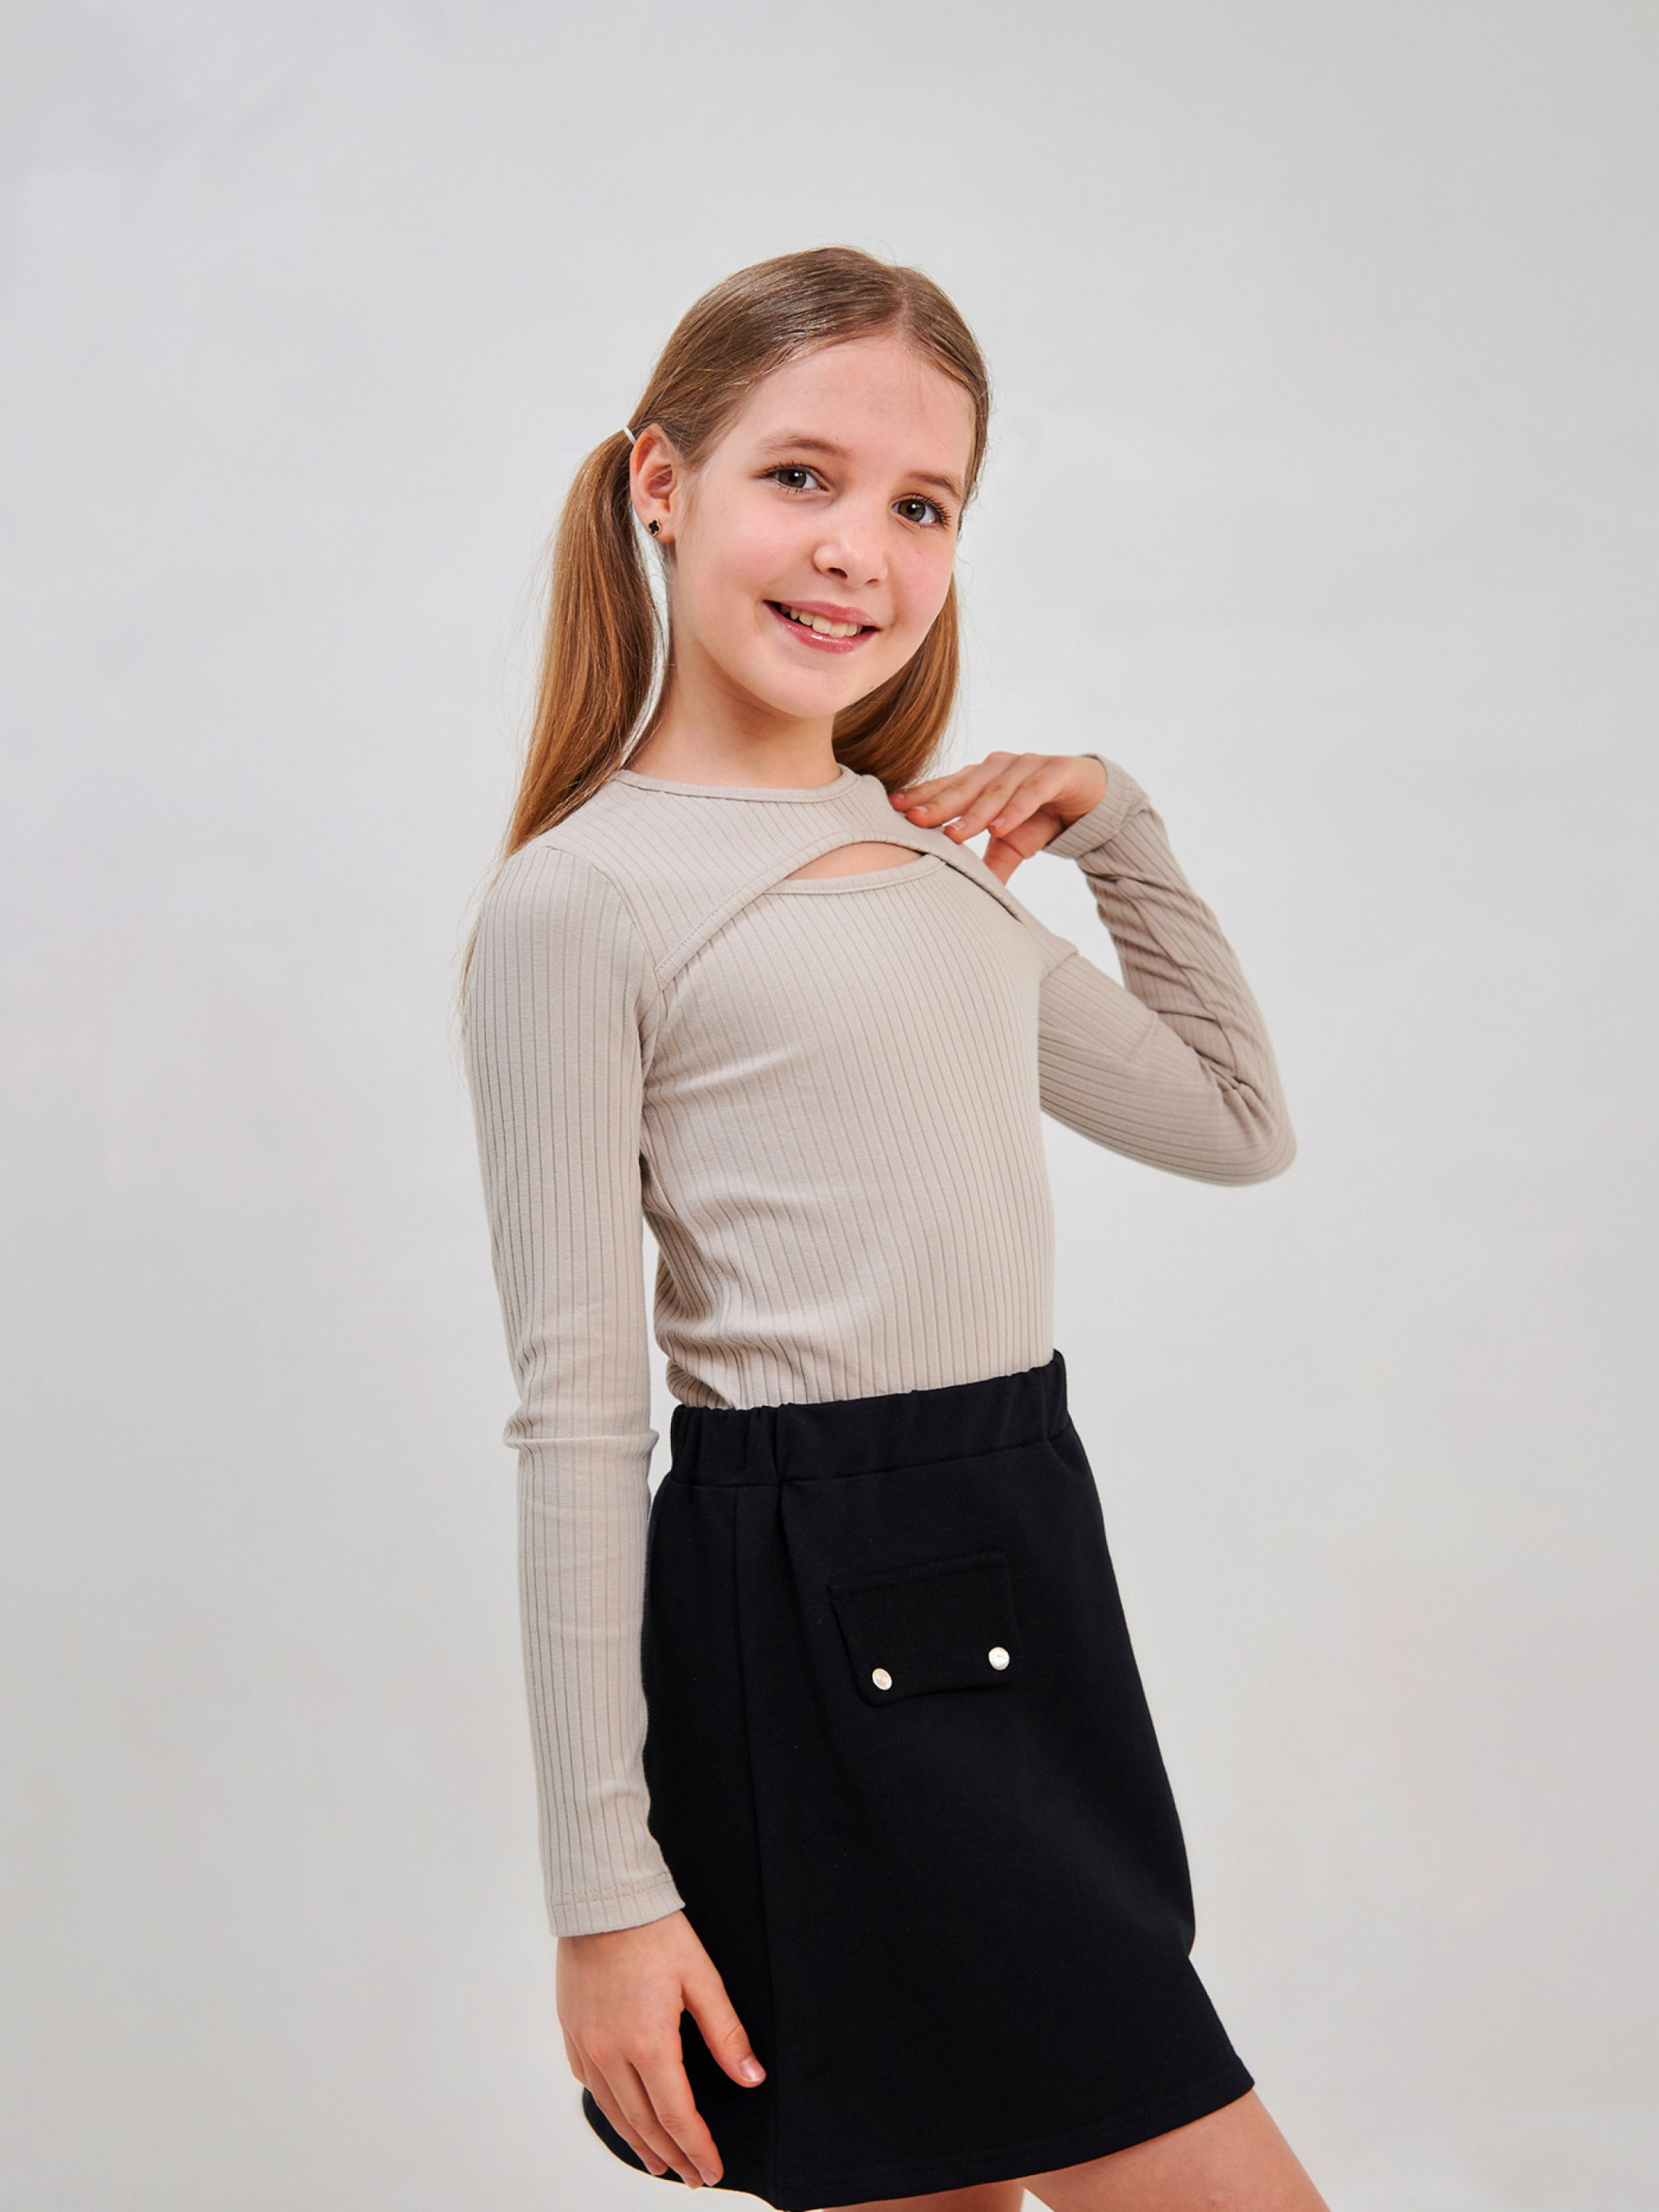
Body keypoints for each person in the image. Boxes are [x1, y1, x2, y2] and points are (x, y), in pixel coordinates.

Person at [459, 246, 1328, 2212]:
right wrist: (604, 1894)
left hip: (1021, 1544)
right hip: (806, 1596)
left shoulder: (927, 864)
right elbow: (577, 1416)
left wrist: (1112, 824)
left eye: (921, 505)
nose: (859, 548)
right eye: (801, 476)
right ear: (660, 483)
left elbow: (1233, 1125)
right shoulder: (583, 900)